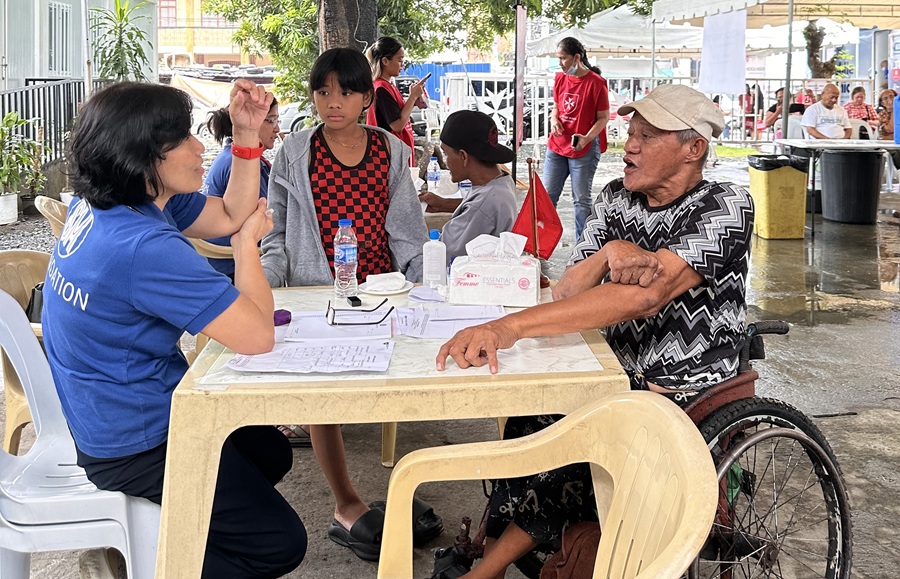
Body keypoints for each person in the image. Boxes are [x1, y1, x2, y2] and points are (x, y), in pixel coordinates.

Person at [434, 84, 753, 578]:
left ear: (695, 149)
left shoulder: (725, 206)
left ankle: (486, 570)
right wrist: (609, 253)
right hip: (611, 369)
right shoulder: (614, 199)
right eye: (631, 133)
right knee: (528, 417)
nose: (629, 146)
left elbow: (647, 294)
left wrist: (508, 327)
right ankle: (497, 548)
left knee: (577, 441)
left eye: (648, 136)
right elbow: (569, 290)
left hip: (683, 384)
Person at [42, 81, 307, 579]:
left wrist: (247, 135)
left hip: (106, 418)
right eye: (181, 138)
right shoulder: (141, 246)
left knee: (267, 451)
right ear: (142, 158)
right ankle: (142, 561)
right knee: (277, 543)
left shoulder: (113, 203)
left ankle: (156, 532)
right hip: (134, 443)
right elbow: (256, 335)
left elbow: (230, 212)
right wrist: (249, 247)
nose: (197, 145)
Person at [261, 47, 436, 562]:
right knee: (325, 400)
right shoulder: (295, 151)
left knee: (405, 381)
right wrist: (269, 286)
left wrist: (427, 283)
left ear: (366, 97)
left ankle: (402, 488)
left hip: (382, 290)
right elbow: (275, 231)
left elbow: (406, 231)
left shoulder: (390, 151)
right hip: (318, 292)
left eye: (345, 92)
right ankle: (346, 504)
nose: (332, 103)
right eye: (322, 92)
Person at [201, 96, 280, 278]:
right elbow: (265, 215)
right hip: (230, 264)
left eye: (277, 120)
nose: (276, 128)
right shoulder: (241, 166)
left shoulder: (230, 156)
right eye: (270, 120)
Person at [544, 36, 610, 243]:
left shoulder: (597, 83)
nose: (560, 63)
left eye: (563, 58)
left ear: (577, 58)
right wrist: (554, 119)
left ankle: (583, 247)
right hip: (557, 145)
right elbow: (556, 107)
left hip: (584, 147)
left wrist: (587, 138)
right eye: (558, 58)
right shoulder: (560, 78)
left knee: (581, 200)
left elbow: (603, 117)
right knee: (547, 197)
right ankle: (542, 242)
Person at [437, 110, 518, 265]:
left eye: (446, 154)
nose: (446, 162)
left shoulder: (483, 204)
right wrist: (442, 204)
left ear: (463, 156)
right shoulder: (501, 180)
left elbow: (445, 256)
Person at [365, 36, 427, 167]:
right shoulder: (381, 89)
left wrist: (414, 99)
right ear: (385, 61)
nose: (402, 64)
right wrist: (413, 97)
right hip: (388, 157)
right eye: (399, 60)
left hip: (395, 152)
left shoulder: (388, 85)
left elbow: (399, 113)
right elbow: (397, 125)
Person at [878, 88, 900, 169]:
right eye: (885, 98)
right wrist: (894, 110)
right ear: (882, 103)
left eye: (891, 97)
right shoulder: (882, 115)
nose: (890, 100)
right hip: (888, 144)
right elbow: (890, 129)